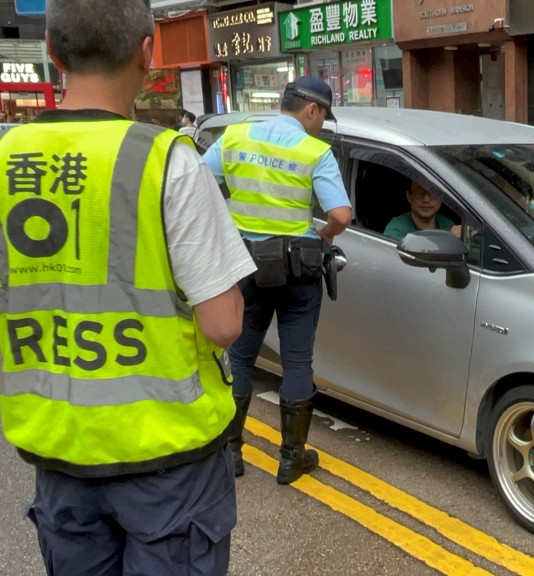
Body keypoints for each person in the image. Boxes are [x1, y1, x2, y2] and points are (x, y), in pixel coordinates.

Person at [0, 1, 254, 575]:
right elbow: (223, 324)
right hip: (169, 460)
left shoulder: (4, 158)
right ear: (148, 53)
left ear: (52, 54)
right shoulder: (165, 161)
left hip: (58, 452)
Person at [203, 75, 352, 485]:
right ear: (312, 110)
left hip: (244, 264)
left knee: (241, 356)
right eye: (324, 116)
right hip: (296, 270)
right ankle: (291, 458)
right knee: (297, 361)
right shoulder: (314, 152)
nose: (322, 125)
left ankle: (231, 452)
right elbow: (340, 216)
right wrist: (322, 235)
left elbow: (198, 183)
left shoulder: (236, 137)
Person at [383, 180, 461, 240]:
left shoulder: (447, 224)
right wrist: (446, 239)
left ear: (441, 198)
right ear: (409, 196)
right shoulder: (396, 227)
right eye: (420, 193)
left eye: (433, 193)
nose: (426, 199)